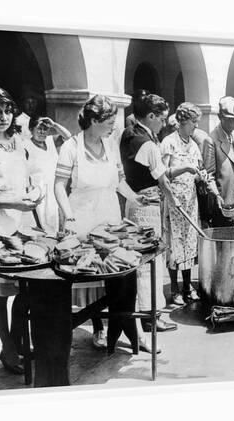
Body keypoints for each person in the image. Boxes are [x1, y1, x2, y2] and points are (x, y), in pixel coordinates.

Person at [54, 95, 147, 352]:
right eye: (108, 121)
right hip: (82, 219)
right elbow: (59, 186)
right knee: (91, 274)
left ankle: (133, 330)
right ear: (93, 120)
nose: (113, 126)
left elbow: (119, 181)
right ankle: (98, 327)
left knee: (123, 272)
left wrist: (136, 198)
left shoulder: (111, 144)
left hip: (109, 218)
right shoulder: (71, 147)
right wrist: (69, 217)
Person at [0, 87, 40, 375]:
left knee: (25, 288)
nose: (3, 117)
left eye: (7, 111)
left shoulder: (18, 141)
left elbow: (27, 176)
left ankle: (17, 341)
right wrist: (12, 202)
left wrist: (34, 192)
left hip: (22, 224)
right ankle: (7, 348)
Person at [119, 93, 179, 337]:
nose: (164, 124)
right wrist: (174, 203)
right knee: (150, 261)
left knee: (139, 259)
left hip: (133, 204)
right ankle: (151, 316)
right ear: (151, 116)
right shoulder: (148, 144)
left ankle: (144, 313)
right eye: (162, 119)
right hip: (148, 205)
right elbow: (163, 180)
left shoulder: (128, 133)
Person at [160, 102, 207, 305]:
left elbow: (196, 172)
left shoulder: (194, 145)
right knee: (174, 243)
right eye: (193, 122)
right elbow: (162, 173)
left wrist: (200, 176)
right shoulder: (168, 142)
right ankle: (175, 289)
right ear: (182, 121)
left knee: (189, 243)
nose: (195, 126)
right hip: (174, 200)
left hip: (190, 199)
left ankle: (188, 287)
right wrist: (184, 168)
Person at [22, 116, 71, 234]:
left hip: (54, 189)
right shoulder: (25, 145)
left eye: (45, 129)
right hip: (38, 190)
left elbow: (68, 137)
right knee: (42, 226)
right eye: (39, 128)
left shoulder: (51, 141)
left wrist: (54, 125)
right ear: (31, 129)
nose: (42, 132)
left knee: (58, 224)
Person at [209, 96, 234, 227]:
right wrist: (217, 196)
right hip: (223, 202)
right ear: (220, 117)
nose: (233, 124)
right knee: (224, 242)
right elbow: (209, 175)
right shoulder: (211, 139)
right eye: (229, 120)